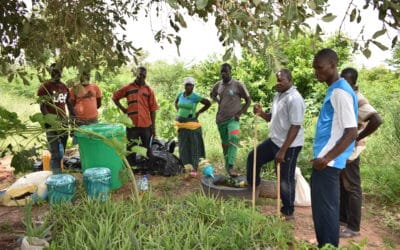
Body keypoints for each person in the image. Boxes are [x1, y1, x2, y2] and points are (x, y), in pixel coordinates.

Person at [311, 48, 358, 248]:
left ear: (332, 65)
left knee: (326, 211)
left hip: (327, 163)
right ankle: (325, 244)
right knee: (323, 210)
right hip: (325, 160)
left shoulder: (340, 91)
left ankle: (328, 246)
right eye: (314, 68)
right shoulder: (336, 89)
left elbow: (351, 132)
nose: (316, 72)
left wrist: (325, 158)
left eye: (319, 67)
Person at [246, 69, 305, 220]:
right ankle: (253, 189)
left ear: (290, 80)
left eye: (281, 80)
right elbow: (271, 117)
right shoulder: (277, 95)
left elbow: (295, 126)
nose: (278, 83)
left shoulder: (294, 98)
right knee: (253, 158)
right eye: (276, 80)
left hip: (289, 146)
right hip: (274, 140)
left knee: (285, 178)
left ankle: (288, 211)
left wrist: (282, 151)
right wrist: (261, 113)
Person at [339, 67, 382, 238]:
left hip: (351, 150)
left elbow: (376, 120)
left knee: (352, 187)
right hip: (343, 148)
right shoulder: (347, 96)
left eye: (346, 81)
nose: (343, 84)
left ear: (353, 83)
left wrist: (357, 137)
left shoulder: (357, 98)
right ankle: (342, 219)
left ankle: (354, 227)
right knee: (343, 185)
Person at [210, 63, 251, 177]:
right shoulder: (218, 85)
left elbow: (248, 100)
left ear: (230, 72)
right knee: (225, 144)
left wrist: (240, 112)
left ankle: (231, 166)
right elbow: (212, 94)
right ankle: (228, 168)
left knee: (234, 138)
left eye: (226, 72)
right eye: (222, 72)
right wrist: (218, 102)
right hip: (221, 119)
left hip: (233, 119)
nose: (223, 74)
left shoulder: (238, 85)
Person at [112, 66, 159, 167]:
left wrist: (153, 127)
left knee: (147, 148)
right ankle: (131, 169)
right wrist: (123, 109)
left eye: (143, 75)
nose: (141, 77)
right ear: (136, 74)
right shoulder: (128, 88)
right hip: (132, 124)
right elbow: (115, 97)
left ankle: (149, 168)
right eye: (139, 75)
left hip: (146, 124)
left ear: (145, 76)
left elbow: (153, 109)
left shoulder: (149, 90)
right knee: (131, 147)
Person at [37, 63, 73, 174]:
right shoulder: (45, 87)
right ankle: (56, 177)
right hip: (51, 124)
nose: (57, 73)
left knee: (62, 150)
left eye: (59, 71)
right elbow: (42, 107)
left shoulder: (64, 86)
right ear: (50, 72)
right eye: (54, 71)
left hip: (63, 122)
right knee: (55, 152)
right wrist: (51, 121)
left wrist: (73, 117)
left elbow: (68, 103)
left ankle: (60, 172)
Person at [174, 77, 211, 176]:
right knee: (183, 144)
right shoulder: (181, 95)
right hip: (181, 124)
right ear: (184, 86)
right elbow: (176, 102)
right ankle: (184, 165)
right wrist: (179, 112)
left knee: (194, 145)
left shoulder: (195, 97)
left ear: (193, 86)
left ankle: (194, 167)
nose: (189, 87)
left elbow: (208, 103)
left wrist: (199, 112)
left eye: (191, 85)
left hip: (192, 123)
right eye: (187, 85)